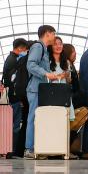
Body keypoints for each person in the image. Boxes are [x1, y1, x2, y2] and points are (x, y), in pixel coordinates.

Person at [24, 25, 62, 158]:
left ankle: (36, 148)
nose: (54, 37)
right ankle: (29, 149)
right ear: (47, 34)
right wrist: (46, 74)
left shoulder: (44, 49)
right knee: (33, 118)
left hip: (40, 89)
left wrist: (50, 75)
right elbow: (30, 65)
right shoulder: (38, 47)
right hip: (35, 89)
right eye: (53, 34)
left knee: (38, 119)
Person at [2, 38, 29, 155]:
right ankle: (11, 150)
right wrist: (20, 95)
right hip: (15, 98)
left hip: (13, 97)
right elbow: (14, 80)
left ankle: (10, 150)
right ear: (20, 49)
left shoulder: (10, 59)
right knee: (15, 125)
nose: (26, 52)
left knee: (12, 124)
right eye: (25, 50)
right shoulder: (14, 60)